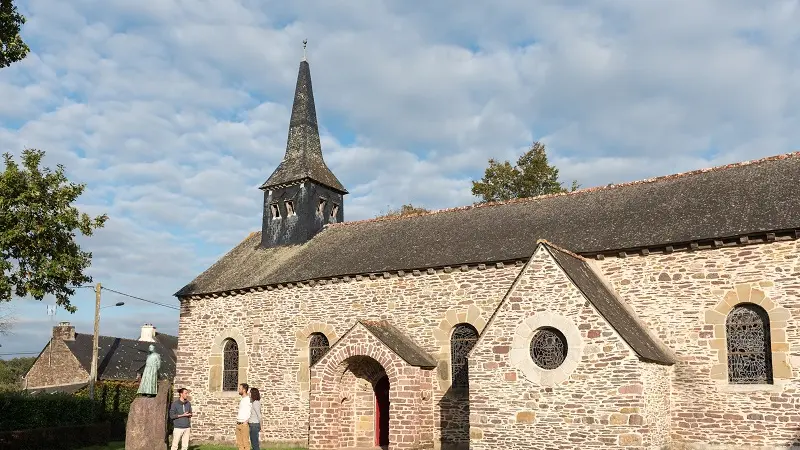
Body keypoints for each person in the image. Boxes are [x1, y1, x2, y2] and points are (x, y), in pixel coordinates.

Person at [235, 383, 251, 450]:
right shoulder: (242, 399)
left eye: (239, 389)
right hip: (238, 423)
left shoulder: (249, 399)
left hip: (244, 424)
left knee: (245, 444)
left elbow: (253, 412)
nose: (238, 390)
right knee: (240, 444)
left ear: (244, 390)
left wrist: (246, 421)